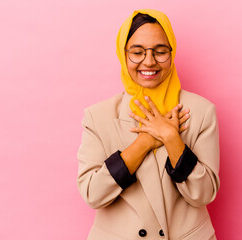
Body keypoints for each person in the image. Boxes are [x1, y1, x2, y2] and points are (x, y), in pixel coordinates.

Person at [77, 9, 220, 240]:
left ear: (172, 53)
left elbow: (203, 194)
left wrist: (172, 139)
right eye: (137, 52)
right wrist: (145, 142)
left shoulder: (201, 111)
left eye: (160, 51)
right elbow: (93, 194)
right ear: (123, 55)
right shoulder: (98, 116)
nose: (149, 61)